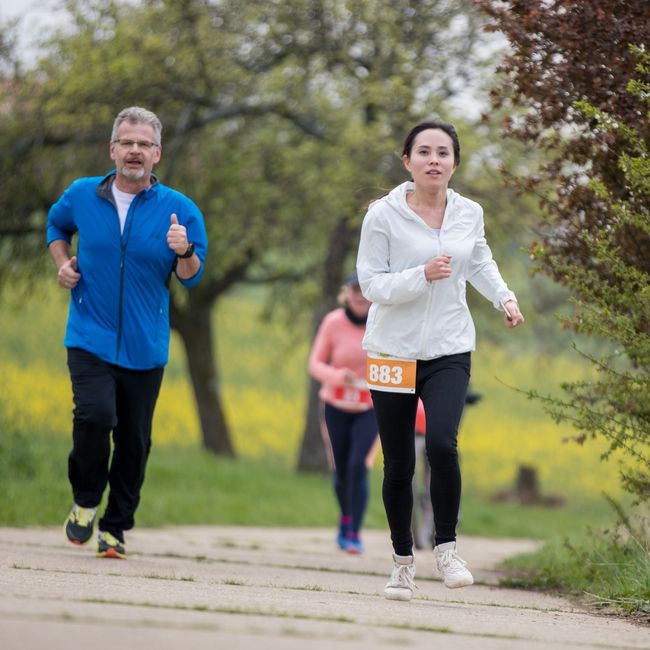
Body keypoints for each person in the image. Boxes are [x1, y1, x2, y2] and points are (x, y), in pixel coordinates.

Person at [356, 119, 524, 600]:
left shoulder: (469, 212)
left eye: (443, 153)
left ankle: (447, 549)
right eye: (424, 152)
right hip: (392, 348)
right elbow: (372, 285)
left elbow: (480, 260)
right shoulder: (382, 216)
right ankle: (402, 562)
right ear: (407, 161)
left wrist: (504, 298)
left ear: (454, 162)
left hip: (449, 347)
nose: (434, 160)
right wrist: (421, 275)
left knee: (444, 445)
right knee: (397, 464)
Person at [47, 106, 208, 559]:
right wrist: (62, 264)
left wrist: (185, 251)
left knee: (134, 440)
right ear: (112, 149)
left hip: (145, 345)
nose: (134, 151)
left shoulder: (180, 210)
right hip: (89, 335)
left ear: (157, 153)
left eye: (144, 144)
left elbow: (193, 277)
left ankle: (115, 526)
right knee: (94, 417)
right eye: (127, 142)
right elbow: (56, 226)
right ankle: (84, 499)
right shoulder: (82, 195)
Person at [308, 273, 379, 554]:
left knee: (358, 465)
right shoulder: (333, 322)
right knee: (340, 470)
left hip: (370, 406)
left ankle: (354, 533)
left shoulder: (382, 321)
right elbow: (315, 364)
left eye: (365, 290)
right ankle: (345, 517)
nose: (360, 296)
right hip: (335, 404)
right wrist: (337, 376)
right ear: (346, 293)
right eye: (354, 290)